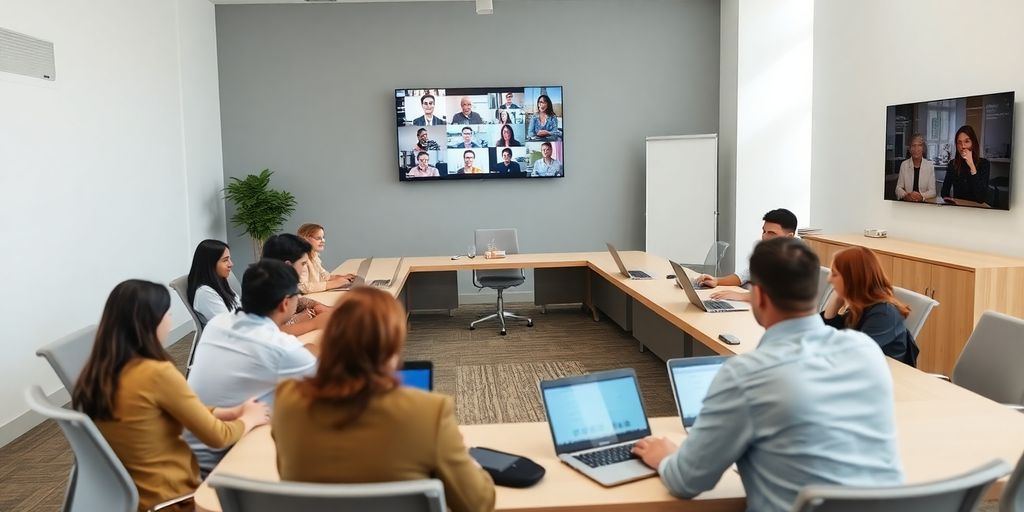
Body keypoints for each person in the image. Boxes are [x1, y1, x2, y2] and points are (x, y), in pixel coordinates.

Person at [632, 238, 904, 512]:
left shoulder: (747, 374)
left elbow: (686, 481)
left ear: (758, 296)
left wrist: (665, 456)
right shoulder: (865, 351)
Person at [272, 287, 496, 512]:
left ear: (329, 337)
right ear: (393, 344)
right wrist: (465, 460)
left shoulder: (288, 400)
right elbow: (478, 503)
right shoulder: (430, 412)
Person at [72, 280, 269, 512]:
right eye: (168, 314)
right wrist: (250, 419)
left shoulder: (96, 373)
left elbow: (159, 414)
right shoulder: (155, 373)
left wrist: (225, 412)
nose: (170, 320)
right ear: (152, 322)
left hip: (137, 497)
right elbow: (218, 437)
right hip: (178, 498)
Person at [186, 259, 320, 473]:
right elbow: (327, 380)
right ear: (286, 303)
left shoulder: (218, 324)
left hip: (190, 453)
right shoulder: (280, 348)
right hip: (225, 462)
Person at [822, 246, 919, 366]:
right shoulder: (858, 306)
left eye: (835, 274)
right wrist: (834, 304)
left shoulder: (884, 313)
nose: (829, 279)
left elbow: (853, 355)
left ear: (853, 278)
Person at [697, 208, 797, 302]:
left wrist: (741, 296)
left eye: (771, 233)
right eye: (764, 231)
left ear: (789, 237)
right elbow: (744, 276)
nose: (764, 236)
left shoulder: (799, 261)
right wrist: (717, 281)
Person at [261, 233, 332, 336]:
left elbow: (299, 302)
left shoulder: (280, 282)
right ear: (288, 266)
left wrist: (320, 307)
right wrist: (312, 322)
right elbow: (274, 330)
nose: (305, 268)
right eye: (303, 264)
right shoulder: (263, 289)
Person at [187, 239, 239, 326]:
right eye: (225, 260)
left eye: (229, 259)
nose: (231, 264)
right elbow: (228, 326)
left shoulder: (221, 283)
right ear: (210, 264)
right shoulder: (205, 293)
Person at [295, 223, 355, 293]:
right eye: (318, 238)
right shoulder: (301, 260)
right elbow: (302, 287)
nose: (323, 240)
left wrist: (341, 277)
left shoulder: (314, 256)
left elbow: (324, 275)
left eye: (323, 237)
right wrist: (332, 284)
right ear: (305, 239)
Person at [940, 125, 990, 204]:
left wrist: (972, 166)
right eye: (959, 143)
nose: (963, 146)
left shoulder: (984, 164)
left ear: (973, 143)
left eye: (967, 141)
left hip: (977, 211)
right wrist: (951, 202)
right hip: (959, 209)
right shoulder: (953, 164)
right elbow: (944, 193)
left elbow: (981, 198)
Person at [895, 133, 937, 202]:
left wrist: (921, 196)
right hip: (907, 203)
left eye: (919, 145)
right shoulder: (904, 165)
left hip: (923, 204)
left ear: (923, 148)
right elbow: (898, 188)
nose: (916, 149)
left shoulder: (930, 166)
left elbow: (933, 192)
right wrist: (906, 195)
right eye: (913, 145)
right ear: (910, 149)